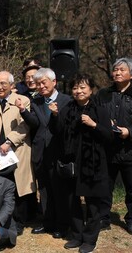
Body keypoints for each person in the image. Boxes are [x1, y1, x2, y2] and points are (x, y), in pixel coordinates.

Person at [51, 74, 112, 253]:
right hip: (71, 163)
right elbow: (58, 132)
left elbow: (108, 136)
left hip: (92, 164)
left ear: (91, 89)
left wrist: (93, 124)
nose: (78, 91)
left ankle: (90, 239)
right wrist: (55, 115)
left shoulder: (100, 109)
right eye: (75, 88)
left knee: (93, 204)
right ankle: (77, 235)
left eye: (82, 87)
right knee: (73, 201)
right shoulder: (67, 108)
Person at [0, 71, 35, 235]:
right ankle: (2, 219)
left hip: (16, 150)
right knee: (0, 186)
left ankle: (20, 222)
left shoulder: (23, 100)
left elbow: (25, 126)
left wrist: (10, 141)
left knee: (19, 186)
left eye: (3, 83)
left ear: (11, 85)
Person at [17, 68, 71, 238]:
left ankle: (62, 225)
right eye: (38, 83)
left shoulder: (67, 100)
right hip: (40, 151)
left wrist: (56, 114)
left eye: (43, 83)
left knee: (60, 191)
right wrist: (23, 111)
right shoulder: (37, 101)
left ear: (54, 82)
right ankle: (47, 222)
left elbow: (67, 126)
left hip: (59, 151)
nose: (40, 86)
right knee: (45, 189)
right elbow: (34, 123)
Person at [97, 58, 132, 233]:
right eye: (115, 70)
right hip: (107, 149)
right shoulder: (103, 94)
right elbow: (94, 114)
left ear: (131, 74)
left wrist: (129, 131)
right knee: (105, 186)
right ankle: (103, 218)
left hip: (129, 150)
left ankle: (131, 219)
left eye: (122, 70)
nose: (117, 73)